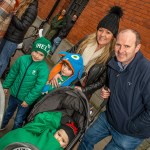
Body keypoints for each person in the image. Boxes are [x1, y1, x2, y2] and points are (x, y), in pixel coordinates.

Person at [78, 29, 150, 150]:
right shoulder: (113, 62)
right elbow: (115, 86)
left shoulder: (146, 72)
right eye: (118, 45)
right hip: (108, 118)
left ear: (137, 48)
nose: (121, 51)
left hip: (129, 133)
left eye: (127, 46)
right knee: (85, 138)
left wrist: (130, 127)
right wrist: (107, 92)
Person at [50, 6, 123, 99]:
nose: (102, 35)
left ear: (113, 36)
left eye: (108, 32)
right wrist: (56, 72)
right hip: (63, 79)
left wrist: (83, 90)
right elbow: (69, 54)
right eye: (100, 30)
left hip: (80, 92)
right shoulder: (86, 40)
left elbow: (101, 81)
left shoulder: (111, 56)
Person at [0, 36, 52, 130]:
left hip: (25, 99)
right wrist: (6, 86)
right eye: (36, 51)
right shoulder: (22, 59)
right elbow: (13, 73)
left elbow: (38, 87)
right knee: (8, 112)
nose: (36, 56)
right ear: (32, 48)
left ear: (45, 56)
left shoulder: (43, 69)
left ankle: (14, 134)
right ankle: (2, 125)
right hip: (14, 94)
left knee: (18, 119)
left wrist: (28, 100)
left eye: (41, 55)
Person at [0, 111, 78, 150]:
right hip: (29, 142)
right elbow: (41, 121)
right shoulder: (47, 131)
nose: (58, 139)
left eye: (63, 141)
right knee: (19, 134)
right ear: (56, 131)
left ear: (65, 146)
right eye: (59, 134)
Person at [0, 0, 38, 77]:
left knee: (2, 62)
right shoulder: (24, 3)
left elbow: (23, 26)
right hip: (8, 34)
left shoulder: (32, 8)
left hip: (13, 40)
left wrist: (13, 16)